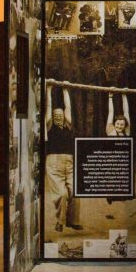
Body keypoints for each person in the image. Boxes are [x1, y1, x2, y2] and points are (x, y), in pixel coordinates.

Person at [45, 84, 82, 232]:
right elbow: (48, 108)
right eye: (56, 115)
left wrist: (66, 90)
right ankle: (60, 221)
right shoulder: (49, 127)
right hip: (54, 163)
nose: (58, 116)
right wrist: (49, 90)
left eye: (60, 114)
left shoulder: (68, 125)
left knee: (76, 192)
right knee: (62, 194)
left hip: (69, 162)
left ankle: (73, 221)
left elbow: (68, 108)